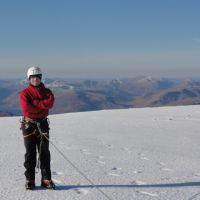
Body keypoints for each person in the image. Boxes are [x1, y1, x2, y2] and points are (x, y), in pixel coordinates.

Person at [19, 66, 55, 190]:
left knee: (45, 152)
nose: (35, 80)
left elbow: (50, 103)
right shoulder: (25, 93)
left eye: (37, 77)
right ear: (29, 79)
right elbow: (26, 109)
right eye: (32, 77)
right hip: (29, 125)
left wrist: (35, 103)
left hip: (43, 124)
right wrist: (42, 106)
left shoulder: (47, 92)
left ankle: (46, 179)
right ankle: (30, 180)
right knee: (30, 153)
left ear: (40, 78)